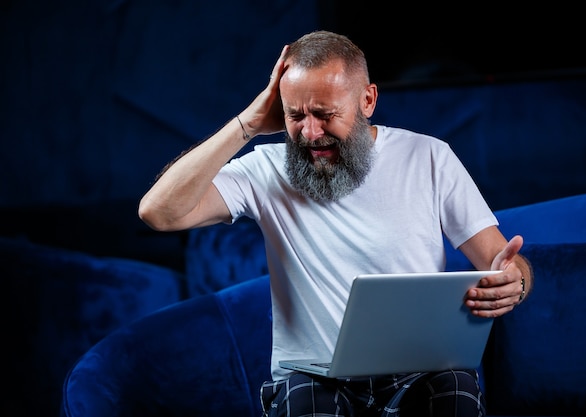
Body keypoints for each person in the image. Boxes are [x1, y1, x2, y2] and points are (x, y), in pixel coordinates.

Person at [139, 30, 533, 417]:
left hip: (418, 373)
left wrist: (514, 281)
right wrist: (249, 123)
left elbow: (504, 262)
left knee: (456, 385)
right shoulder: (265, 169)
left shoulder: (429, 156)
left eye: (325, 114)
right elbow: (159, 212)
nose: (310, 133)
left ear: (367, 100)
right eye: (295, 115)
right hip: (311, 379)